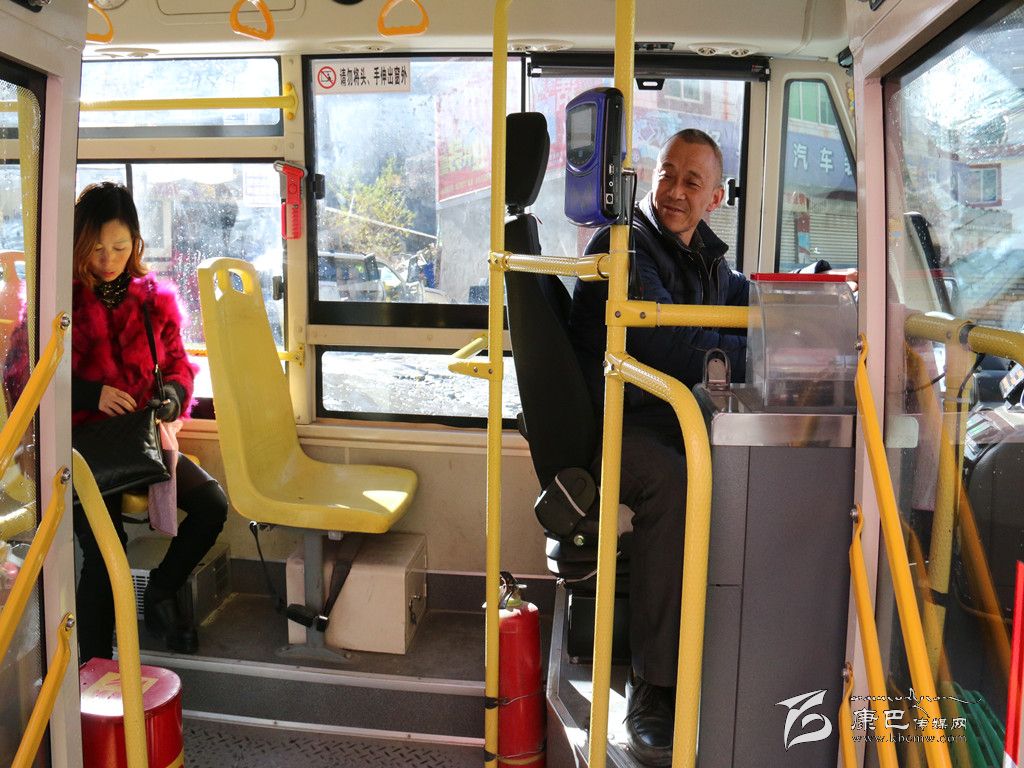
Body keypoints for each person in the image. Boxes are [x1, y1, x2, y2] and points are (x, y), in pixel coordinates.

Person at [567, 129, 748, 767]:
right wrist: (745, 349)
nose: (673, 191)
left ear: (715, 198)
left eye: (691, 182)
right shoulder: (624, 246)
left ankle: (725, 648)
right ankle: (654, 686)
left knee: (747, 468)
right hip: (619, 425)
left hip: (672, 419)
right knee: (677, 481)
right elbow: (667, 343)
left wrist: (795, 316)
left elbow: (745, 312)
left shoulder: (709, 260)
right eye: (667, 174)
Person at [71, 182, 228, 660]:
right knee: (105, 553)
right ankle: (94, 667)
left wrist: (172, 398)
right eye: (97, 248)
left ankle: (160, 589)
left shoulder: (152, 299)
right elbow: (23, 378)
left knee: (212, 505)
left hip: (141, 437)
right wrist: (92, 394)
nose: (108, 260)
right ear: (78, 244)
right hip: (80, 447)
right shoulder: (56, 301)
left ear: (136, 243)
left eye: (120, 247)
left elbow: (180, 367)